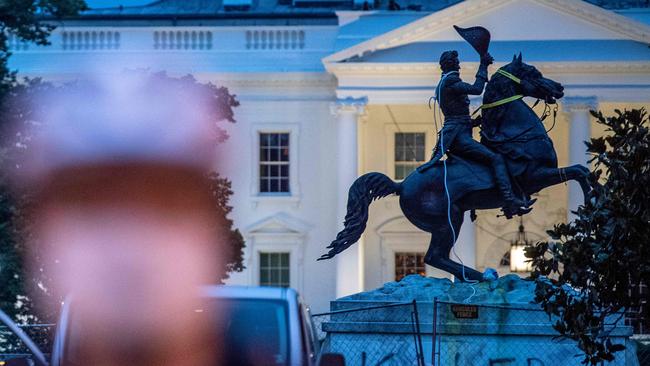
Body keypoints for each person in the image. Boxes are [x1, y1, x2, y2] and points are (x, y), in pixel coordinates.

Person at [420, 50, 531, 215]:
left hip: (459, 131)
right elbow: (477, 89)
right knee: (496, 158)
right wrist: (483, 65)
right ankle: (509, 199)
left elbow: (456, 115)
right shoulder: (450, 82)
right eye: (456, 62)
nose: (459, 65)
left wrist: (473, 122)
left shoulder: (446, 82)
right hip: (459, 138)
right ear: (450, 64)